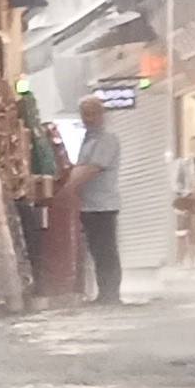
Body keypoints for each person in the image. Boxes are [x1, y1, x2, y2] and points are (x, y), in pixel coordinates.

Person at [72, 93, 126, 306]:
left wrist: (66, 190)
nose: (89, 117)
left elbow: (91, 169)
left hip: (102, 206)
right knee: (96, 251)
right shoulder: (88, 140)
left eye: (93, 113)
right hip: (87, 205)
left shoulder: (107, 139)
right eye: (85, 113)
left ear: (102, 114)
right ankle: (104, 293)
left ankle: (111, 294)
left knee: (106, 251)